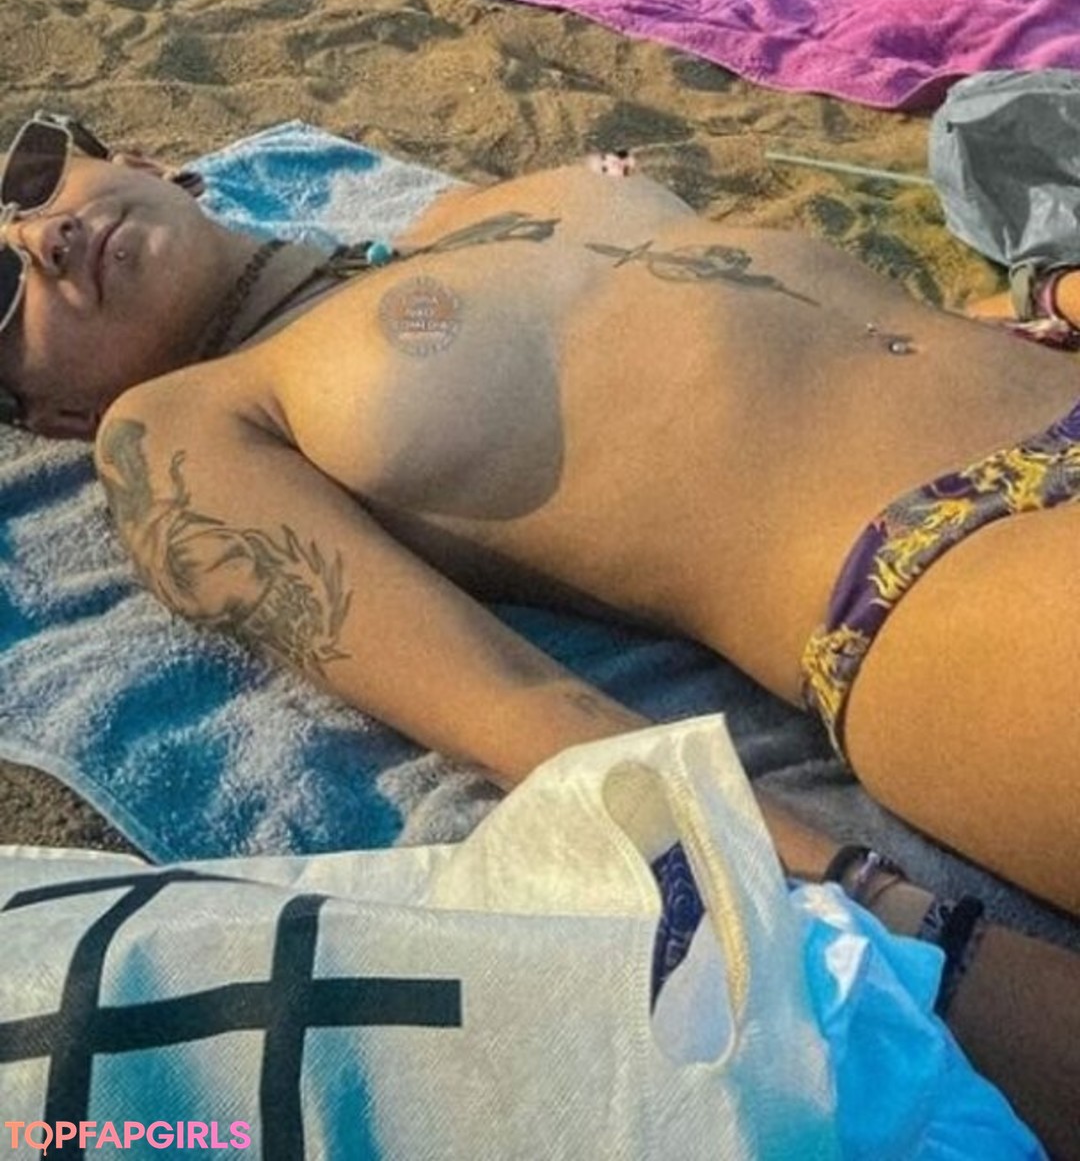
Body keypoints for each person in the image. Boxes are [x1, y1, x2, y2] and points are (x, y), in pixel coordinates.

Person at [1, 112, 1079, 1156]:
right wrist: (902, 922)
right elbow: (517, 709)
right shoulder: (179, 428)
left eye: (31, 176)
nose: (42, 234)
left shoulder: (472, 214)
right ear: (52, 413)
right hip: (953, 560)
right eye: (0, 285)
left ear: (142, 160)